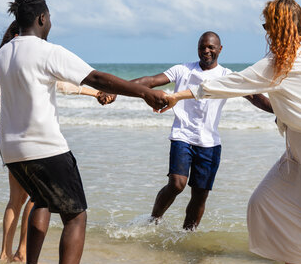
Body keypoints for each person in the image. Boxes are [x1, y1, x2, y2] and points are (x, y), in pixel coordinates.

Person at [160, 0, 301, 264]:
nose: (265, 29)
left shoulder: (289, 61)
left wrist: (179, 96)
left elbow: (234, 82)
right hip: (296, 151)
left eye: (268, 24)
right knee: (263, 203)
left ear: (281, 25)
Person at [0, 0, 167, 264]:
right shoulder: (48, 51)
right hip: (44, 147)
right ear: (42, 18)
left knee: (41, 201)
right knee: (76, 216)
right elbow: (96, 77)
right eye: (50, 18)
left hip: (11, 151)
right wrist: (143, 93)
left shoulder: (4, 53)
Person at [101, 32, 272, 230]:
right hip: (182, 136)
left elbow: (255, 97)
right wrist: (116, 90)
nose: (206, 51)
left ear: (220, 49)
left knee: (200, 195)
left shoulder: (227, 76)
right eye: (202, 47)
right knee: (176, 184)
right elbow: (150, 81)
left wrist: (279, 111)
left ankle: (186, 235)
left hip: (210, 143)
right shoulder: (182, 70)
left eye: (210, 47)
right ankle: (154, 219)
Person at [0, 21, 106, 263]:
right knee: (39, 199)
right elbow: (65, 85)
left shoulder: (3, 61)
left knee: (16, 199)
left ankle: (5, 253)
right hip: (36, 143)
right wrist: (97, 92)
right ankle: (22, 251)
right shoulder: (30, 60)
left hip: (10, 144)